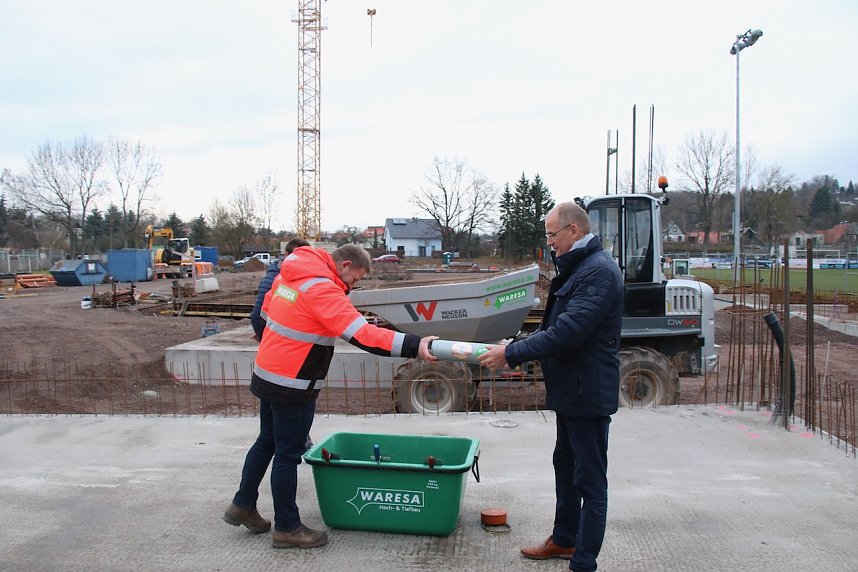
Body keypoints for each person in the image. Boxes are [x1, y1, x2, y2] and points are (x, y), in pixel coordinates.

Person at [223, 244, 438, 550]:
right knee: (287, 455)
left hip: (268, 372)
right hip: (293, 382)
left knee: (266, 441)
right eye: (354, 279)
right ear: (345, 264)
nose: (352, 286)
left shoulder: (291, 273)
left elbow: (265, 313)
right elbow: (362, 334)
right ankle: (287, 528)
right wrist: (415, 345)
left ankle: (242, 504)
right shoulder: (322, 288)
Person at [479, 201, 623, 572]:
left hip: (588, 394)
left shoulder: (599, 272)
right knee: (566, 466)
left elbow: (567, 333)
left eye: (552, 234)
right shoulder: (579, 267)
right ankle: (564, 540)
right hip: (571, 391)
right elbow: (553, 326)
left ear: (574, 230)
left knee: (590, 482)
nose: (549, 241)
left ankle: (583, 563)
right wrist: (517, 344)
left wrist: (511, 354)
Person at [249, 238, 311, 342]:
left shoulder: (308, 277)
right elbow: (257, 315)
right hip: (281, 343)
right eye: (297, 256)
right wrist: (264, 337)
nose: (302, 260)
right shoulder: (273, 279)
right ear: (286, 255)